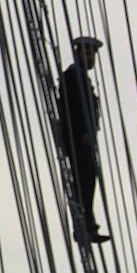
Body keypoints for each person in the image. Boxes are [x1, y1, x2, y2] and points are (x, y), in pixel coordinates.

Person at [58, 35, 108, 245]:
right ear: (78, 53)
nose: (90, 58)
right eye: (86, 53)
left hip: (84, 137)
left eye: (92, 55)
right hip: (79, 137)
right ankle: (84, 226)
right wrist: (83, 133)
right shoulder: (73, 76)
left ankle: (88, 224)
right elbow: (75, 107)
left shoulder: (80, 77)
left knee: (88, 178)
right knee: (84, 178)